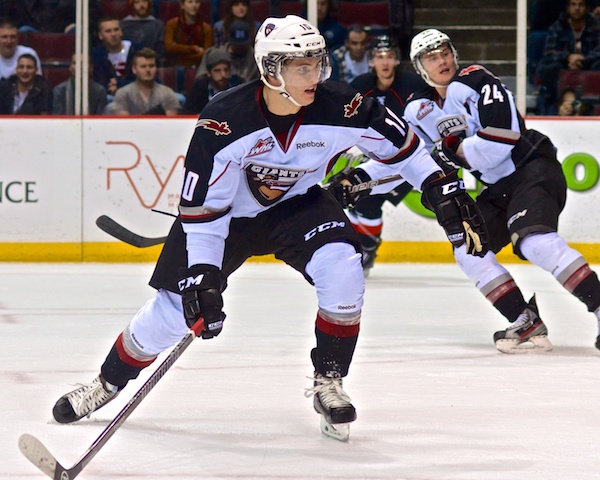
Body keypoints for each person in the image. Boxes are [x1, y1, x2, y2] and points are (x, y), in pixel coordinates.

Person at [50, 15, 485, 442]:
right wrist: (203, 273)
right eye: (302, 67)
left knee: (343, 267)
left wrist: (441, 187)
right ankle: (106, 383)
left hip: (298, 206)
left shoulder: (344, 105)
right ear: (271, 70)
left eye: (317, 63)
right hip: (225, 221)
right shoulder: (223, 120)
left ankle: (328, 380)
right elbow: (204, 211)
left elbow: (405, 149)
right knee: (172, 312)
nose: (314, 74)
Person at [405, 28, 600, 353]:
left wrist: (454, 152)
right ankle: (524, 320)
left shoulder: (476, 80)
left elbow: (501, 139)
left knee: (535, 241)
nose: (441, 60)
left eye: (444, 51)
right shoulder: (420, 109)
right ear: (420, 68)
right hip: (499, 187)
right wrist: (360, 180)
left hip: (532, 166)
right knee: (469, 249)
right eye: (431, 56)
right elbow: (410, 158)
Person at [341, 35, 426, 275]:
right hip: (374, 159)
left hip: (407, 159)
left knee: (368, 200)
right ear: (371, 62)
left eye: (389, 56)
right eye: (379, 57)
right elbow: (346, 118)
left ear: (397, 60)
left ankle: (367, 249)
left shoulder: (412, 85)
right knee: (355, 199)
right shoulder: (360, 85)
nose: (385, 62)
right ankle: (363, 248)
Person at [536, 0, 600, 114]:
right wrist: (568, 57)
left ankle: (587, 107)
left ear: (587, 7)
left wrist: (584, 59)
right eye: (573, 4)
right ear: (567, 7)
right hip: (564, 67)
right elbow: (549, 52)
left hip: (589, 67)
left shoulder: (595, 26)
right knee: (550, 67)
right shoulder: (558, 26)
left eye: (581, 5)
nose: (577, 8)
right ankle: (560, 106)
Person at [108, 47, 180, 115]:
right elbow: (124, 124)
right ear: (134, 69)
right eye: (143, 66)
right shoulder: (123, 94)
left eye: (151, 66)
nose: (148, 70)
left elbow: (170, 124)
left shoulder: (167, 93)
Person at [182, 48, 244, 114]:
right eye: (217, 71)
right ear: (209, 73)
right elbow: (188, 113)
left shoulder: (239, 85)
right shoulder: (200, 87)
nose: (223, 75)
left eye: (226, 70)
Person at [195, 20, 259, 81]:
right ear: (229, 38)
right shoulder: (213, 53)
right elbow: (200, 79)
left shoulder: (255, 56)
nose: (239, 47)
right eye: (236, 44)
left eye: (242, 44)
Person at [92, 16, 141, 96]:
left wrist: (120, 85)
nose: (113, 34)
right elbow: (99, 81)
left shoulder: (135, 49)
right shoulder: (98, 54)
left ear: (121, 32)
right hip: (109, 96)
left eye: (116, 30)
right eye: (108, 31)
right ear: (100, 35)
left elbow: (142, 78)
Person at [164, 0, 213, 68]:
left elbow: (206, 53)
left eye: (197, 2)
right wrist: (193, 49)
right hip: (175, 66)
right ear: (182, 5)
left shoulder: (206, 28)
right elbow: (169, 47)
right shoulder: (172, 24)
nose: (194, 5)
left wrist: (180, 54)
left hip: (199, 67)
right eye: (190, 2)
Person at [121, 0, 166, 66]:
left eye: (144, 1)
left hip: (152, 62)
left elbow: (160, 49)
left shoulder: (158, 25)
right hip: (129, 64)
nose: (141, 5)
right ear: (132, 5)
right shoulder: (123, 25)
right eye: (137, 2)